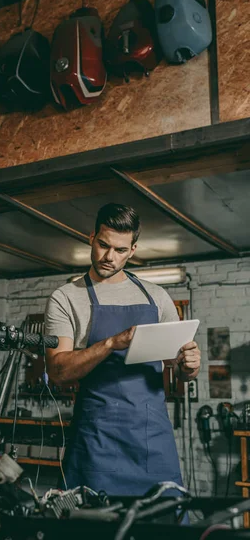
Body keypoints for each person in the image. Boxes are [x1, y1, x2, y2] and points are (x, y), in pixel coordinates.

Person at [45, 203, 201, 496]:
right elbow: (57, 371)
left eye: (120, 250)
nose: (109, 257)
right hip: (96, 438)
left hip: (151, 438)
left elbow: (178, 366)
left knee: (163, 525)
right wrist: (110, 343)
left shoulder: (156, 297)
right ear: (91, 237)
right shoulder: (65, 298)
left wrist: (189, 366)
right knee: (91, 525)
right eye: (103, 245)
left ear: (133, 250)